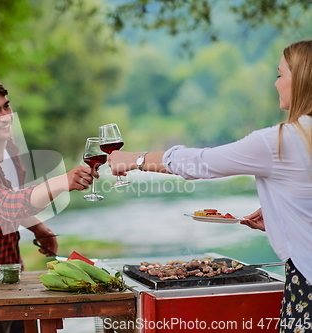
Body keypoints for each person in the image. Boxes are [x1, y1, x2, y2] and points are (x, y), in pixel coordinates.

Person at [108, 39, 312, 333]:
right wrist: (285, 215)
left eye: (280, 74)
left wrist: (135, 160)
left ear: (302, 81)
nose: (275, 83)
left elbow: (201, 162)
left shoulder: (279, 141)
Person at [0, 75, 95, 333]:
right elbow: (7, 204)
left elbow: (9, 201)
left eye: (6, 106)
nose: (6, 116)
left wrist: (38, 229)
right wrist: (62, 182)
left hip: (11, 272)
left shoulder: (10, 149)